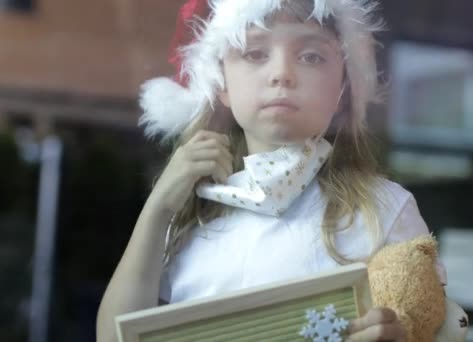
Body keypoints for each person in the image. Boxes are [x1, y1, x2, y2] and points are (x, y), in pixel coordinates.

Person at [97, 1, 447, 341]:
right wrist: (158, 209)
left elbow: (434, 325)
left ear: (342, 88)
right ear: (220, 83)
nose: (282, 73)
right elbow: (115, 337)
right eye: (255, 53)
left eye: (311, 56)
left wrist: (401, 333)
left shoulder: (385, 208)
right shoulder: (188, 215)